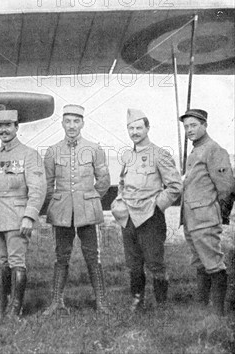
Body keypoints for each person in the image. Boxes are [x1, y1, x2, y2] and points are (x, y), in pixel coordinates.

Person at [0, 106, 46, 317]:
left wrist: (29, 216)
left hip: (17, 218)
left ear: (17, 126)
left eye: (7, 125)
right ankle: (4, 305)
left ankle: (16, 309)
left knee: (16, 262)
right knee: (3, 262)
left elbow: (38, 189)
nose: (3, 130)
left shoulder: (29, 155)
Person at [42, 104, 111, 316]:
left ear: (82, 123)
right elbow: (48, 184)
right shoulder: (52, 151)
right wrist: (55, 204)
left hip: (87, 211)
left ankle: (101, 302)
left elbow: (104, 181)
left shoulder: (94, 149)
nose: (72, 126)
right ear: (62, 123)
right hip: (62, 212)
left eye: (76, 121)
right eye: (68, 121)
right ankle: (56, 301)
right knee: (61, 256)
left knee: (93, 256)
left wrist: (89, 198)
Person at [113, 109, 182, 312]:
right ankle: (137, 301)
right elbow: (122, 184)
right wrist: (120, 203)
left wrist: (156, 207)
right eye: (131, 128)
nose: (134, 132)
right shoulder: (127, 156)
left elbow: (175, 186)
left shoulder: (160, 154)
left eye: (138, 127)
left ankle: (161, 304)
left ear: (147, 128)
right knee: (133, 264)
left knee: (155, 264)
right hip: (128, 219)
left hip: (150, 218)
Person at [180, 109, 235, 316]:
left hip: (205, 219)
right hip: (191, 219)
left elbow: (227, 186)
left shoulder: (214, 150)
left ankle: (218, 313)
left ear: (204, 125)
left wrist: (218, 215)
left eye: (193, 125)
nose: (189, 130)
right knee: (200, 262)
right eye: (186, 127)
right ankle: (201, 309)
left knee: (213, 263)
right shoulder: (196, 150)